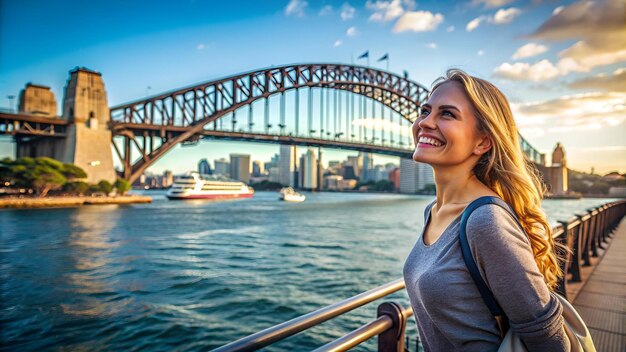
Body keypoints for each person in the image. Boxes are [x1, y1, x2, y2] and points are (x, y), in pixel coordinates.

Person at [402, 69, 570, 351]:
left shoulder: (485, 221)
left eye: (447, 114)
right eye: (425, 111)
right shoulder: (434, 212)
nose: (425, 122)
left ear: (483, 142)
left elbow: (549, 340)